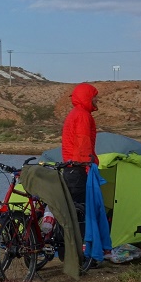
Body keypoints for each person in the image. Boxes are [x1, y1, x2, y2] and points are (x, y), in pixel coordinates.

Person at [61, 82, 99, 211]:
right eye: (94, 96)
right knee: (80, 210)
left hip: (71, 168)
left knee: (72, 208)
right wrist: (88, 167)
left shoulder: (76, 113)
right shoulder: (82, 115)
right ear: (87, 97)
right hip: (78, 169)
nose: (97, 99)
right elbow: (83, 144)